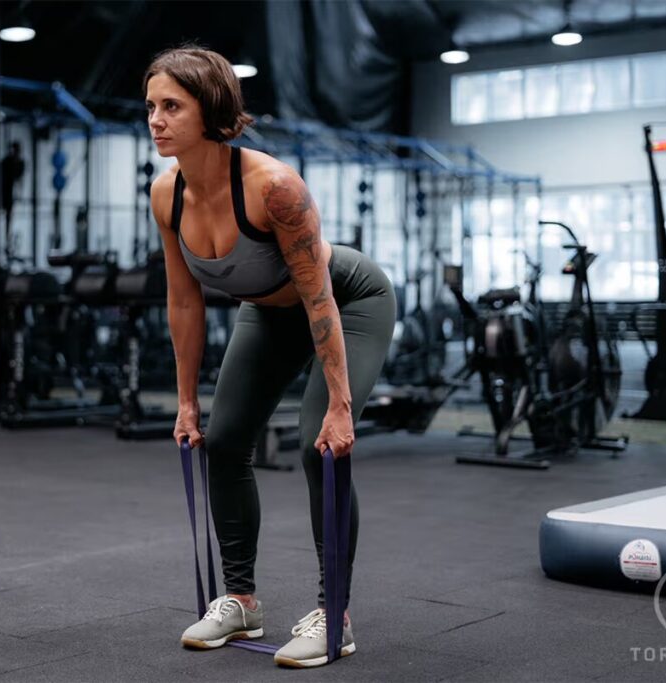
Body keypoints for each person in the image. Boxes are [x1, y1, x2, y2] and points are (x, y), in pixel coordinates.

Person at [144, 46, 396, 668]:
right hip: (266, 308)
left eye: (172, 106)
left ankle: (333, 611)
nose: (155, 119)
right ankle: (240, 600)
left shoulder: (274, 188)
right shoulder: (166, 195)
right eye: (150, 106)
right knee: (224, 441)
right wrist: (184, 403)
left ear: (213, 110)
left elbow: (320, 300)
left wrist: (340, 407)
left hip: (348, 302)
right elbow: (184, 304)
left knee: (320, 444)